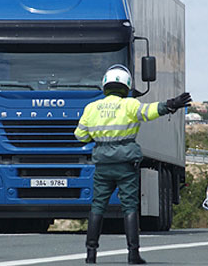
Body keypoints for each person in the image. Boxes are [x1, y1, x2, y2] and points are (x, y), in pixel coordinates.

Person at [74, 64, 191, 264]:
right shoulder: (130, 105)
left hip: (102, 164)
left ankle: (91, 254)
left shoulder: (91, 107)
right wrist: (172, 103)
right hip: (125, 164)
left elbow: (80, 136)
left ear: (105, 85)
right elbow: (151, 111)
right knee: (129, 206)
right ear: (126, 86)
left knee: (98, 206)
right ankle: (133, 253)